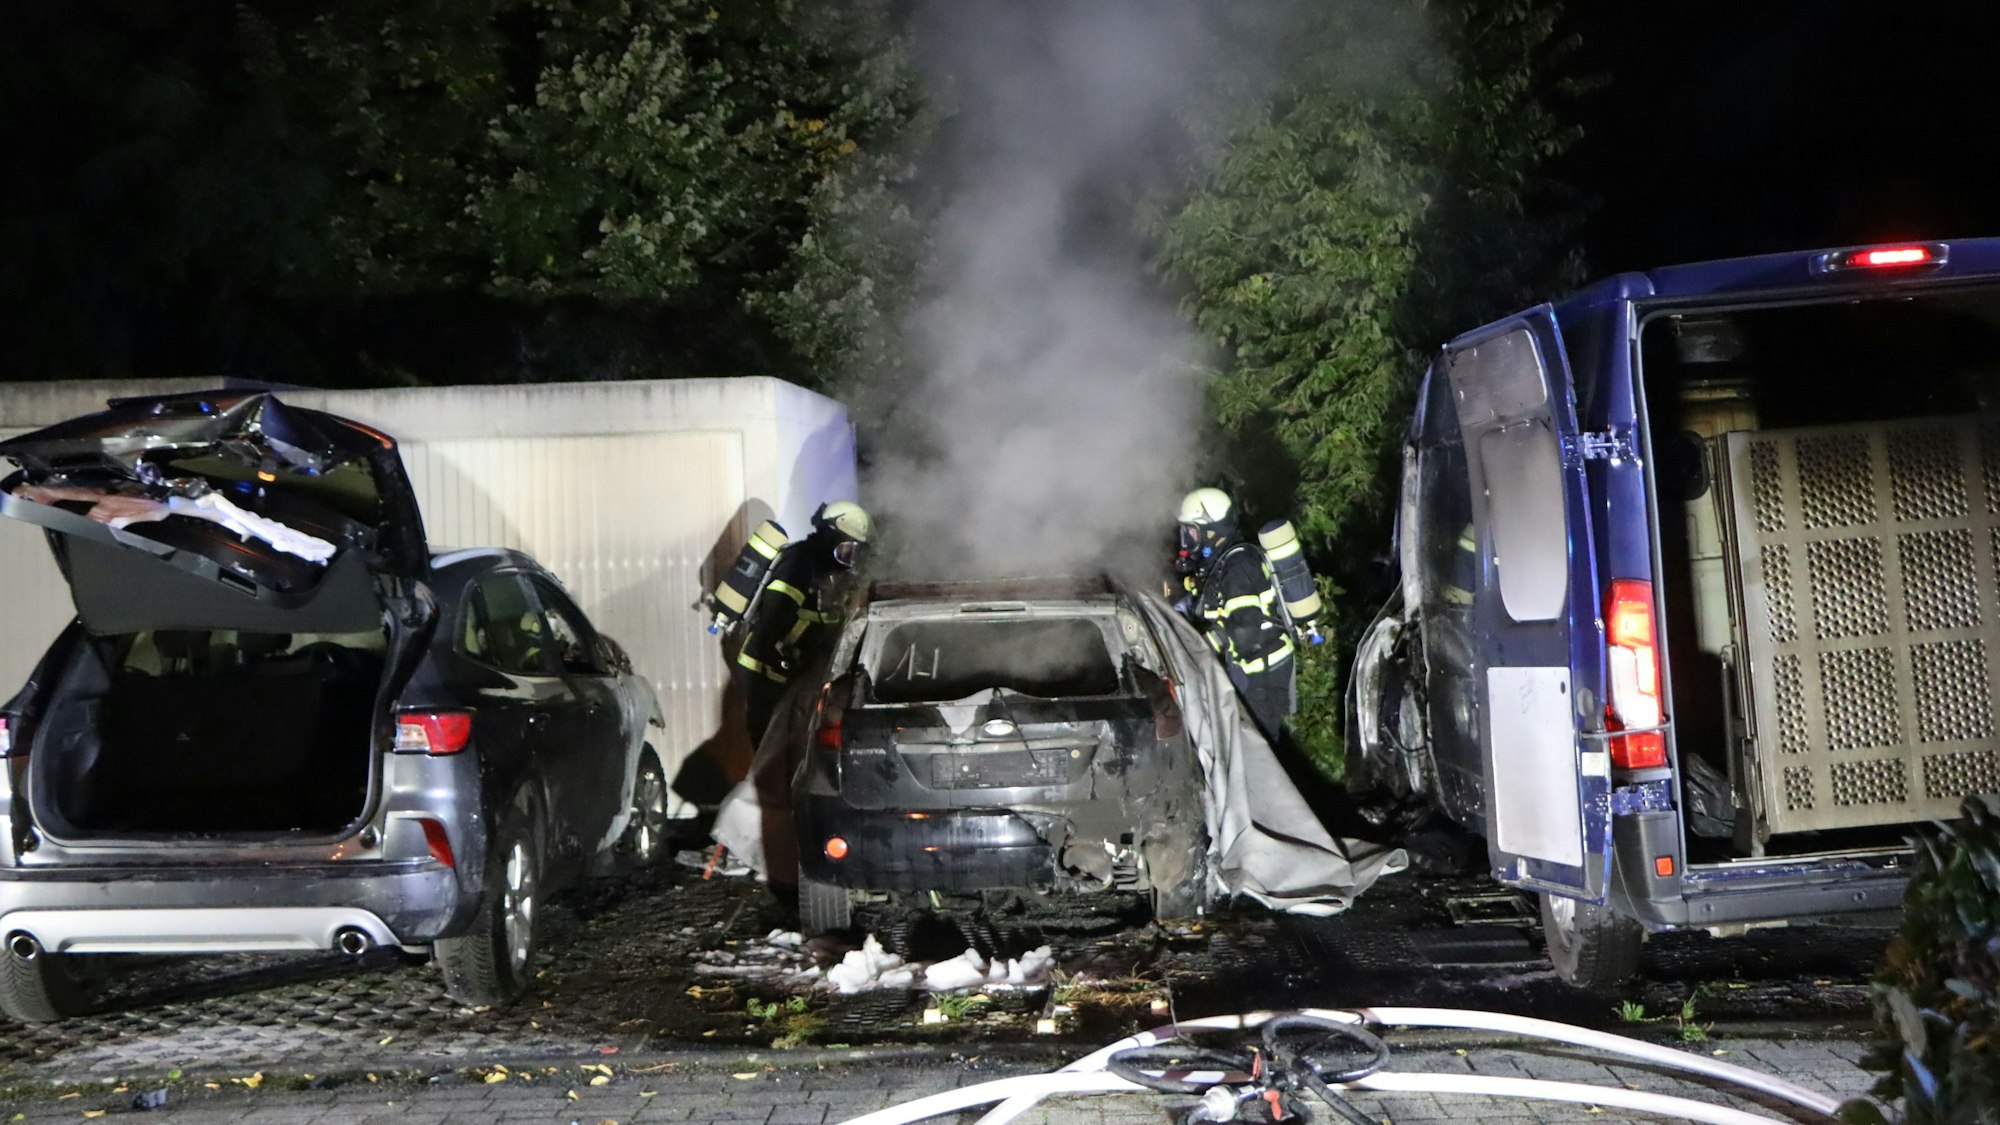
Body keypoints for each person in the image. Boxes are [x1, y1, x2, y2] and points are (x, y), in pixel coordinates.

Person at [734, 501, 872, 746]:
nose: (849, 559)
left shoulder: (825, 572)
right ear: (829, 538)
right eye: (846, 550)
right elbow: (773, 620)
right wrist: (792, 658)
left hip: (788, 673)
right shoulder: (798, 565)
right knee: (771, 748)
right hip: (765, 672)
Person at [1172, 487, 1295, 742]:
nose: (1187, 539)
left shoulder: (1238, 566)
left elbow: (1245, 631)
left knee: (1259, 746)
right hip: (1248, 669)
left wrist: (1200, 646)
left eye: (1192, 531)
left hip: (1260, 674)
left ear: (1212, 531)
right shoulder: (1222, 561)